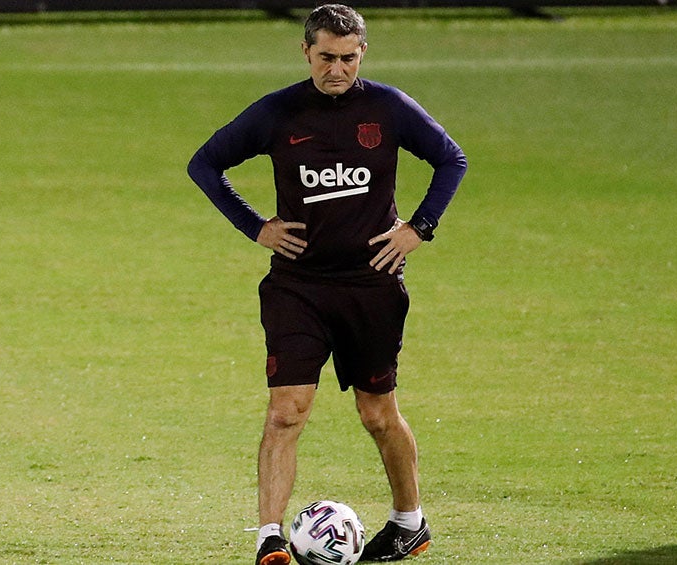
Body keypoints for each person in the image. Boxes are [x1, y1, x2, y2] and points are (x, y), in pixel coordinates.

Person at [187, 4, 467, 564]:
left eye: (347, 58)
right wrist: (256, 226)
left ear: (362, 53)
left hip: (372, 285)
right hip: (298, 286)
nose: (335, 69)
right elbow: (205, 164)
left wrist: (420, 228)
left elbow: (450, 159)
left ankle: (409, 523)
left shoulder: (387, 108)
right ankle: (270, 538)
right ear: (306, 52)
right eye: (325, 58)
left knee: (377, 413)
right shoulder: (279, 113)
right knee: (286, 410)